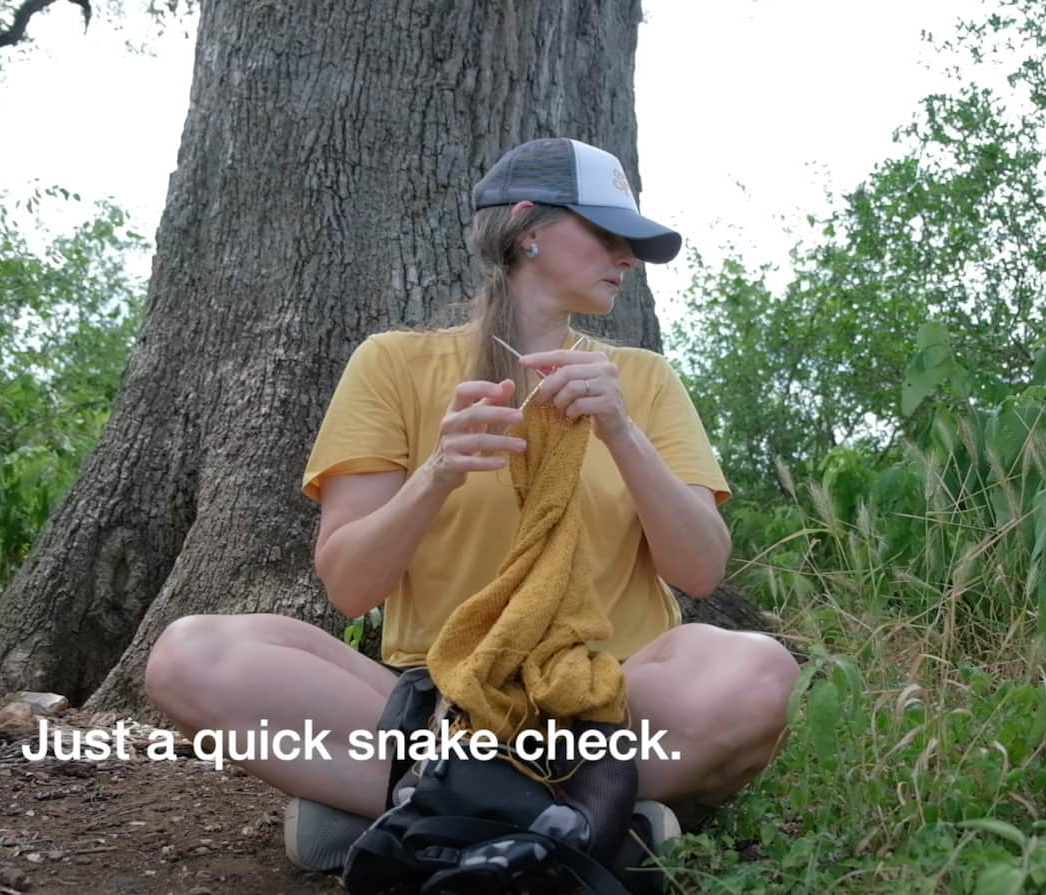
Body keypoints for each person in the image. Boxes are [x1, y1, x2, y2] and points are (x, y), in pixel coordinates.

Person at [142, 137, 800, 879]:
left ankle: (412, 806)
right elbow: (350, 586)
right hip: (438, 705)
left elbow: (701, 568)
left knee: (758, 673)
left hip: (610, 698)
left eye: (633, 241)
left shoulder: (643, 380)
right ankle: (597, 816)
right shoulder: (392, 364)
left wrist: (621, 433)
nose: (628, 256)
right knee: (189, 655)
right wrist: (438, 473)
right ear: (527, 227)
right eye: (607, 234)